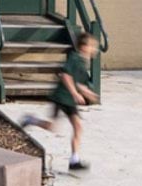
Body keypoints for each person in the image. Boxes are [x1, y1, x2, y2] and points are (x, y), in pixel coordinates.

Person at [22, 33, 101, 172]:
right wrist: (75, 93)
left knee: (78, 128)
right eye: (91, 46)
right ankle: (31, 120)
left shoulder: (83, 63)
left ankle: (74, 161)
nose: (94, 49)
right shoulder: (74, 58)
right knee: (53, 127)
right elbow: (65, 75)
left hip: (69, 101)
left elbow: (79, 83)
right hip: (61, 98)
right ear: (83, 47)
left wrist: (88, 93)